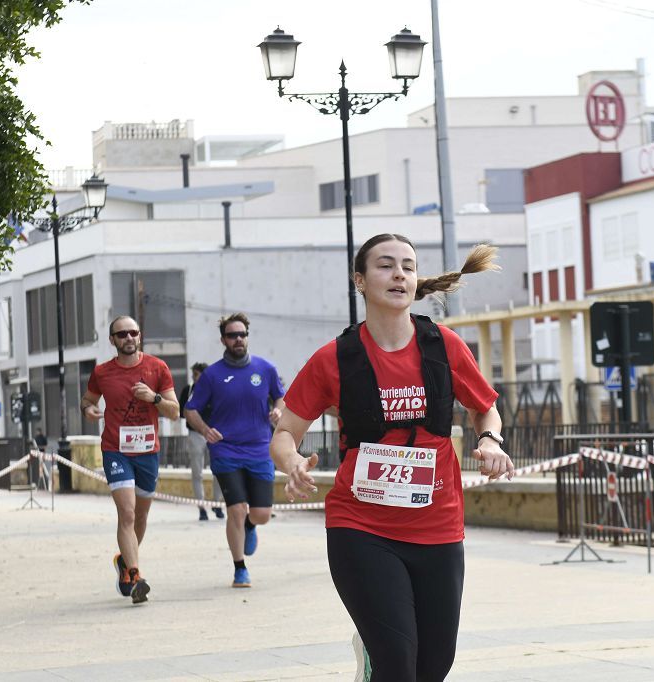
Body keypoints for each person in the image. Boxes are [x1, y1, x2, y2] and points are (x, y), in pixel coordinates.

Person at [270, 234, 514, 681]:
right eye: (385, 265)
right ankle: (378, 659)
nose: (399, 273)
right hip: (362, 528)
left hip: (438, 526)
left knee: (434, 666)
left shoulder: (444, 347)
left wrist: (492, 441)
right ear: (359, 280)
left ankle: (374, 661)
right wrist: (292, 462)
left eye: (407, 265)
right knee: (398, 665)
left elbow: (485, 407)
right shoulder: (334, 359)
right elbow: (285, 432)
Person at [80, 316, 179, 604]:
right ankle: (136, 577)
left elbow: (174, 411)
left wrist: (154, 398)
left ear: (140, 336)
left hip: (147, 452)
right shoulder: (102, 373)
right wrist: (88, 410)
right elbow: (87, 400)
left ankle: (124, 563)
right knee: (127, 513)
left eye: (133, 332)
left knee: (141, 516)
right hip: (116, 450)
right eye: (121, 334)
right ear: (112, 340)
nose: (128, 338)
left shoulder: (157, 368)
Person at [185, 313, 285, 588]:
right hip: (225, 451)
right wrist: (205, 430)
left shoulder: (265, 369)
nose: (238, 339)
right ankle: (240, 567)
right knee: (237, 509)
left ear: (247, 337)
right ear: (223, 340)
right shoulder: (212, 375)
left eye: (242, 334)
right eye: (232, 335)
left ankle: (251, 526)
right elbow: (190, 409)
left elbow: (280, 396)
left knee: (261, 514)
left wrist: (278, 410)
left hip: (260, 450)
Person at [179, 362, 223, 521]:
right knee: (197, 473)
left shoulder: (215, 389)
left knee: (218, 470)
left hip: (214, 434)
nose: (194, 378)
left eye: (196, 375)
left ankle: (217, 504)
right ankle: (201, 507)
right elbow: (182, 413)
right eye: (193, 375)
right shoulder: (188, 390)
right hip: (195, 435)